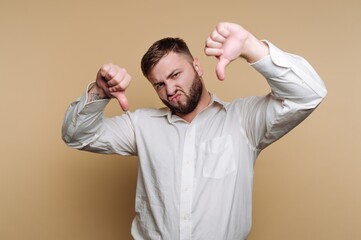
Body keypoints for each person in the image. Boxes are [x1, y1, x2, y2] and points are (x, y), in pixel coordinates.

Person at [62, 22, 327, 240]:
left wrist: (251, 48)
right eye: (159, 84)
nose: (170, 90)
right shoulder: (140, 126)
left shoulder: (243, 120)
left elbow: (308, 95)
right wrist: (99, 92)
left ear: (197, 67)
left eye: (176, 75)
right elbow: (76, 135)